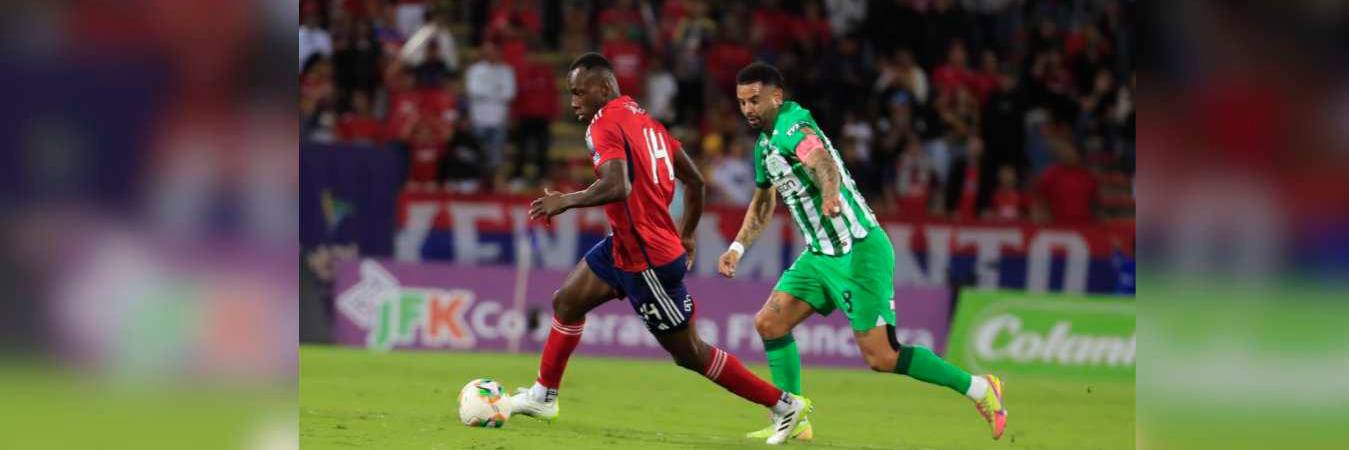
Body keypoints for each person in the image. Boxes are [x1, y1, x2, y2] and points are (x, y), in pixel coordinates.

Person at [510, 54, 812, 446]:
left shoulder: (603, 124)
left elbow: (618, 185)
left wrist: (565, 200)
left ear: (603, 89)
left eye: (580, 92)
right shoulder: (644, 120)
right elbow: (696, 181)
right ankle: (543, 396)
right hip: (626, 244)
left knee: (690, 354)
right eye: (572, 93)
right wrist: (686, 235)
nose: (573, 102)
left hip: (647, 261)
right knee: (567, 301)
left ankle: (784, 404)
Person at [718, 62, 1008, 442]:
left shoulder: (794, 126)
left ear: (777, 96)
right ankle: (793, 418)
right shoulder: (764, 146)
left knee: (882, 357)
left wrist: (831, 193)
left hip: (858, 250)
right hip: (820, 256)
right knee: (769, 323)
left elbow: (821, 160)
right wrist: (738, 247)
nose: (749, 109)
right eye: (742, 103)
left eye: (755, 100)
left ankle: (980, 389)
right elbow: (762, 202)